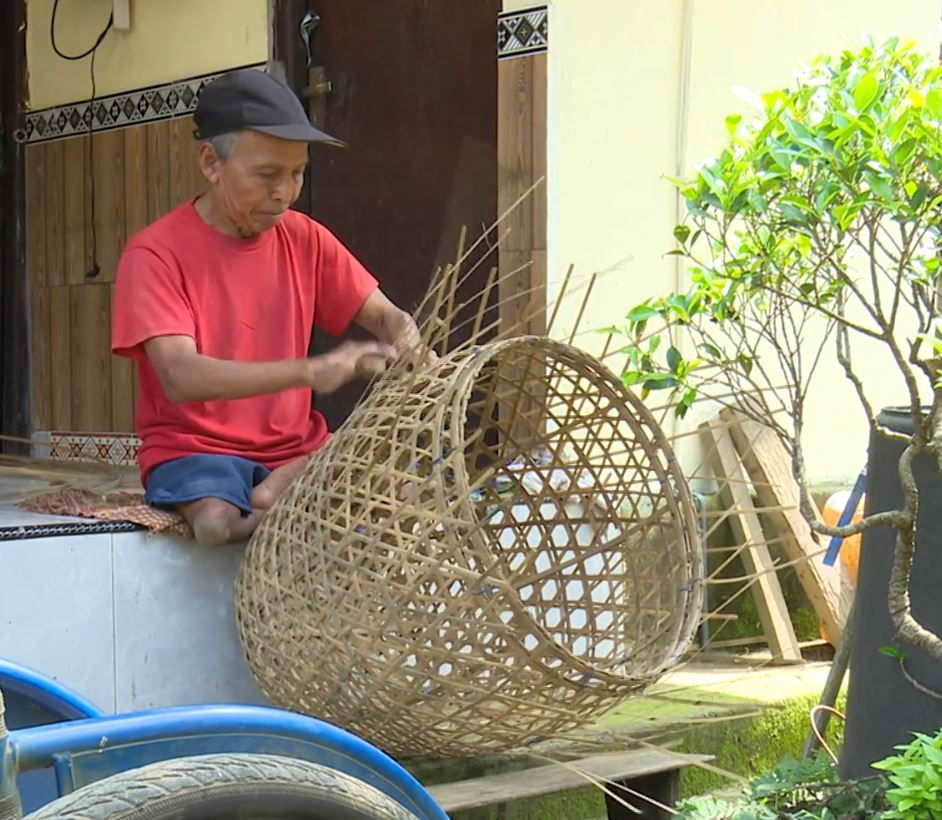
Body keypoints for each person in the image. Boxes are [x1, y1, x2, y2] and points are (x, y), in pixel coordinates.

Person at [112, 69, 423, 547]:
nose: (285, 192)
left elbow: (384, 315)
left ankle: (281, 487)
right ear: (211, 162)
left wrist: (406, 337)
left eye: (297, 173)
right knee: (216, 523)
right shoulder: (154, 254)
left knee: (404, 493)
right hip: (196, 451)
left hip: (294, 446)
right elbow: (179, 375)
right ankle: (286, 493)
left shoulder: (305, 238)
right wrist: (310, 372)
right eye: (267, 175)